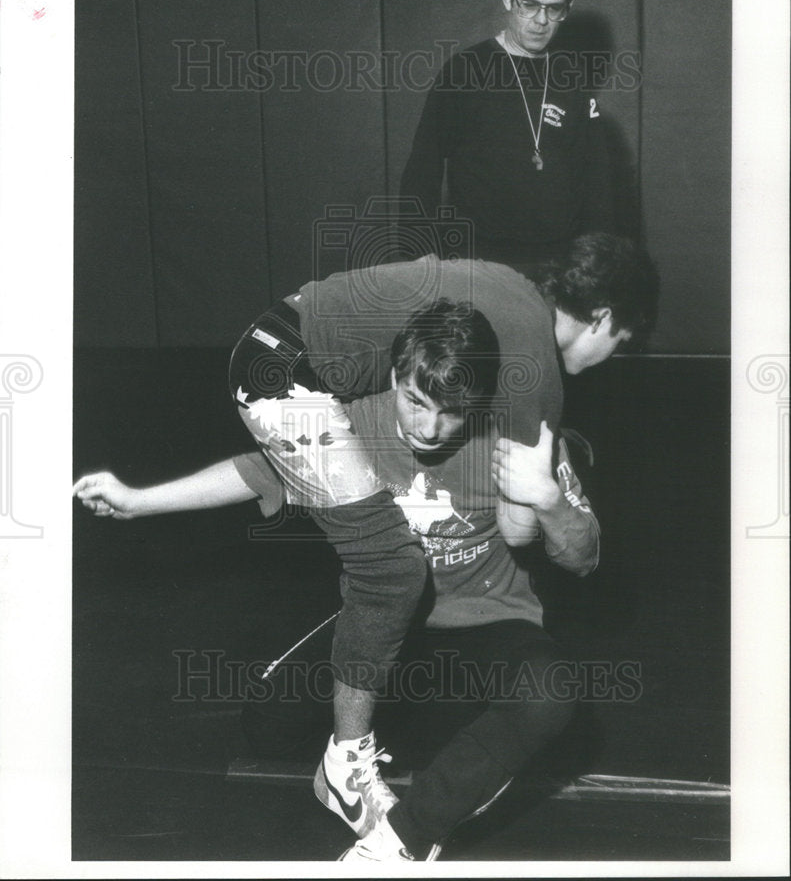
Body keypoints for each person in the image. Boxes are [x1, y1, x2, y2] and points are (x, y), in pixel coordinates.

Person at [74, 233, 659, 858]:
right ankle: (377, 727)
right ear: (392, 373)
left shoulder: (522, 435)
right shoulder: (359, 419)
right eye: (414, 401)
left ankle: (400, 843)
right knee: (268, 723)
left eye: (451, 413)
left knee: (549, 695)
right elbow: (258, 471)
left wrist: (546, 498)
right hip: (390, 633)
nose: (428, 427)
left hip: (484, 623)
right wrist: (139, 500)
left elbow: (582, 556)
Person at [399, 0, 617, 270]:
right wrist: (416, 253)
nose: (541, 21)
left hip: (558, 263)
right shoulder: (465, 70)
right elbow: (423, 166)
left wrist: (600, 264)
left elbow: (596, 182)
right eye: (529, 5)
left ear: (566, 10)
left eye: (553, 9)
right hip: (480, 260)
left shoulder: (570, 78)